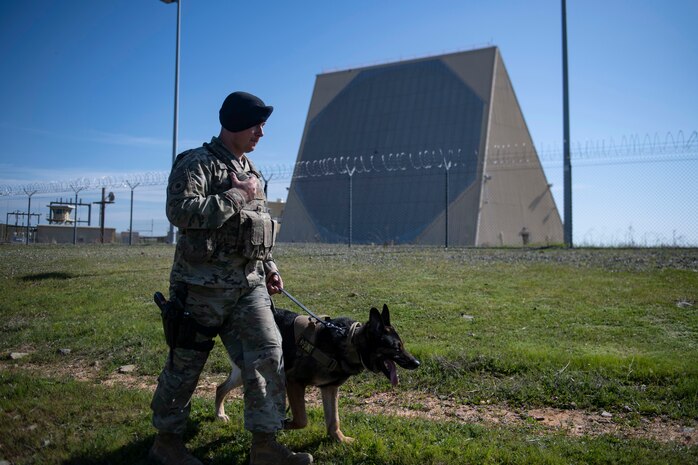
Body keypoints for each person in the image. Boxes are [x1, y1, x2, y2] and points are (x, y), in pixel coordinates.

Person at [149, 91, 313, 465]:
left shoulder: (253, 172)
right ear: (234, 123)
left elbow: (256, 230)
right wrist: (235, 196)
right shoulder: (198, 163)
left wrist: (269, 267)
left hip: (249, 286)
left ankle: (265, 445)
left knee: (269, 355)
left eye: (263, 125)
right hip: (201, 287)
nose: (261, 133)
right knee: (186, 365)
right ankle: (167, 442)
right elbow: (180, 211)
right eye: (256, 124)